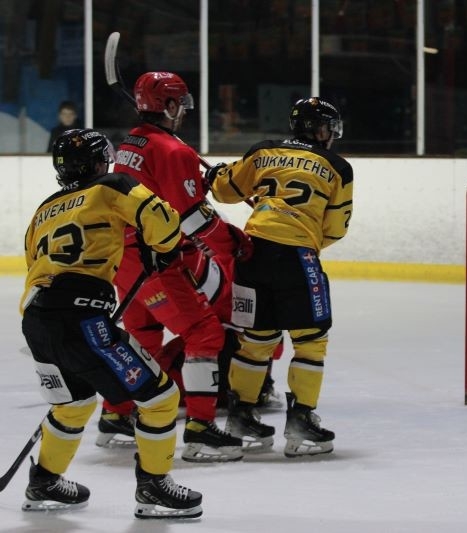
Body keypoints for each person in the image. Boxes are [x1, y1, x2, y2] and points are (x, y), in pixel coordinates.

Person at [20, 128, 202, 518]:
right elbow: (161, 219)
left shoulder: (42, 211)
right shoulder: (113, 184)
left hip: (37, 320)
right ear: (101, 161)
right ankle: (153, 487)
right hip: (82, 317)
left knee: (73, 404)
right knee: (160, 398)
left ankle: (45, 482)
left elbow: (36, 266)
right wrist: (164, 248)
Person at [99, 71, 250, 462]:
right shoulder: (173, 150)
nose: (183, 109)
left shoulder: (129, 143)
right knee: (204, 333)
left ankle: (117, 415)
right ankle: (200, 432)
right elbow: (192, 218)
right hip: (155, 258)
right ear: (167, 105)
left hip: (125, 257)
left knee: (143, 334)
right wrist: (229, 240)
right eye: (179, 102)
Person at [207, 97, 353, 457]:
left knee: (255, 339)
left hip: (252, 253)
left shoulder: (264, 151)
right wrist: (304, 236)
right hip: (297, 257)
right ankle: (301, 420)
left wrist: (216, 175)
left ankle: (240, 416)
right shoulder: (337, 166)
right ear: (322, 131)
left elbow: (224, 192)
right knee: (311, 339)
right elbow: (334, 229)